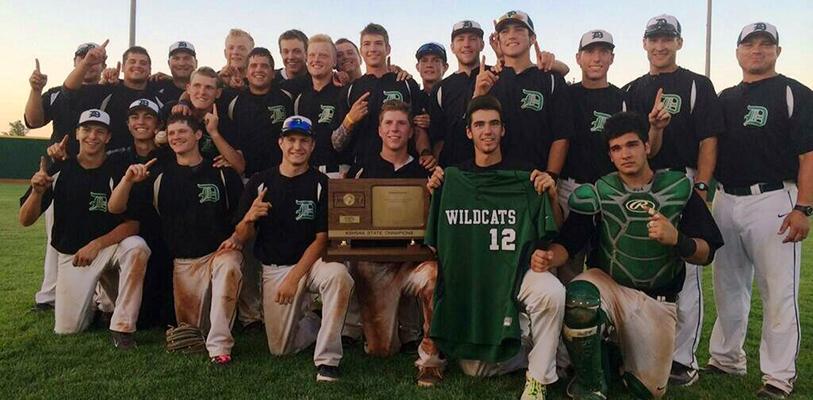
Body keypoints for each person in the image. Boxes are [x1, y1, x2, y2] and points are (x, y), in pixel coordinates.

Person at [533, 111, 723, 399]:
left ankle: (611, 357)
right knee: (580, 298)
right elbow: (569, 244)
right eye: (616, 148)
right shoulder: (599, 191)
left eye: (632, 144)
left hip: (658, 301)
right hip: (610, 288)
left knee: (647, 391)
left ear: (647, 146)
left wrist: (678, 240)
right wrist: (548, 258)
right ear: (610, 155)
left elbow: (706, 252)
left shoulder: (678, 189)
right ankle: (590, 384)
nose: (625, 154)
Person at [425, 95, 563, 399]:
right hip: (475, 279)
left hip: (515, 274)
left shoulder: (525, 176)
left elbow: (553, 228)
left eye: (493, 124)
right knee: (476, 370)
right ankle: (530, 342)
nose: (487, 131)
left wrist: (551, 195)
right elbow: (436, 242)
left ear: (503, 130)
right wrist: (435, 190)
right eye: (479, 125)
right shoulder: (451, 179)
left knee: (552, 291)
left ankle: (537, 378)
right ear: (469, 132)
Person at [708, 22, 812, 399]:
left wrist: (804, 207)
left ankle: (779, 376)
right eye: (749, 44)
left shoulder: (794, 92)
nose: (757, 50)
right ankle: (726, 358)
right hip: (726, 197)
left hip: (773, 199)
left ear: (777, 51)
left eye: (765, 44)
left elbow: (809, 156)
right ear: (737, 52)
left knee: (778, 291)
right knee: (728, 286)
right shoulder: (725, 97)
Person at [623, 15, 724, 385]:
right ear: (644, 44)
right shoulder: (633, 89)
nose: (660, 46)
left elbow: (708, 140)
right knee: (640, 266)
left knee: (687, 272)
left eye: (667, 39)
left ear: (679, 42)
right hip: (643, 182)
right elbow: (640, 148)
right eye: (654, 39)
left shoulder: (697, 84)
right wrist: (654, 128)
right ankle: (640, 352)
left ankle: (683, 359)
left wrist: (701, 186)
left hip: (682, 179)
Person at [108, 113, 244, 365]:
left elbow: (242, 217)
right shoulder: (159, 174)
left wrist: (237, 236)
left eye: (182, 132)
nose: (176, 137)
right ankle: (207, 332)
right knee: (190, 329)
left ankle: (220, 347)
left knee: (229, 264)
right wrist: (127, 181)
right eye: (171, 134)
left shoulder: (221, 172)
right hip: (183, 263)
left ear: (198, 135)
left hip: (217, 254)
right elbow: (115, 208)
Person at [228, 116, 353, 381]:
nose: (297, 146)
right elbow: (242, 236)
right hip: (275, 267)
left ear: (312, 145)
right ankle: (315, 321)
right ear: (281, 143)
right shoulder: (260, 182)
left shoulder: (321, 183)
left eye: (304, 141)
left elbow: (321, 240)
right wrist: (249, 218)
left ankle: (328, 361)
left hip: (312, 265)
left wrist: (294, 279)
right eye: (291, 140)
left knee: (339, 276)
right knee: (280, 350)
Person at [19, 109, 150, 348]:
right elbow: (25, 220)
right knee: (68, 329)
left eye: (99, 131)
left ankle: (122, 326)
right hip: (74, 256)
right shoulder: (58, 169)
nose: (93, 136)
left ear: (108, 137)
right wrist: (37, 193)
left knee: (137, 247)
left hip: (108, 248)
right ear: (77, 133)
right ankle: (94, 306)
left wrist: (97, 244)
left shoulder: (117, 170)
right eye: (87, 130)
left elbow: (133, 224)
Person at [346, 100, 442, 387]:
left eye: (401, 123)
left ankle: (430, 359)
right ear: (379, 129)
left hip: (415, 260)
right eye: (388, 123)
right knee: (380, 351)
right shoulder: (362, 169)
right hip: (375, 263)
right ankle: (402, 329)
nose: (394, 129)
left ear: (411, 131)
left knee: (435, 277)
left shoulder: (425, 171)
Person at [24, 42, 105, 312]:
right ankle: (49, 294)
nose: (90, 62)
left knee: (98, 232)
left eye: (96, 58)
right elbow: (33, 121)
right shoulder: (59, 93)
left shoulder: (107, 92)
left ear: (104, 65)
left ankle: (98, 297)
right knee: (57, 235)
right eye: (84, 57)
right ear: (75, 61)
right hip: (61, 170)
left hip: (99, 171)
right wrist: (35, 89)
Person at [556, 30, 631, 283]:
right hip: (570, 189)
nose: (596, 58)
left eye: (603, 52)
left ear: (612, 58)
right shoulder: (565, 94)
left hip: (609, 192)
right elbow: (551, 70)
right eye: (590, 52)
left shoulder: (622, 99)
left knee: (609, 269)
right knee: (567, 269)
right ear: (578, 58)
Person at [473, 10, 573, 176]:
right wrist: (478, 95)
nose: (511, 36)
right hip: (494, 179)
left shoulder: (551, 80)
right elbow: (472, 130)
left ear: (532, 38)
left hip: (537, 179)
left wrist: (551, 175)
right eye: (504, 31)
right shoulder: (488, 79)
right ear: (498, 40)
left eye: (519, 30)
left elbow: (561, 135)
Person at [331, 23, 435, 170]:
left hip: (404, 169)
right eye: (367, 44)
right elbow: (336, 144)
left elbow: (418, 127)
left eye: (378, 43)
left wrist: (425, 152)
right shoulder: (350, 90)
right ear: (361, 50)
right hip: (363, 171)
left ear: (388, 49)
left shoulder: (406, 83)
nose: (372, 49)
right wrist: (349, 120)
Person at [62, 41, 163, 153]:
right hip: (110, 162)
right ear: (123, 67)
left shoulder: (159, 96)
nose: (137, 66)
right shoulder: (105, 91)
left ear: (150, 69)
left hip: (149, 161)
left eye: (143, 63)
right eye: (132, 62)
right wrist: (86, 63)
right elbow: (69, 90)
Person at [293, 34, 344, 177]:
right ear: (306, 59)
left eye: (323, 55)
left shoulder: (345, 93)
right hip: (306, 171)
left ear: (334, 61)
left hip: (337, 171)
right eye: (312, 55)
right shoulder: (300, 98)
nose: (316, 60)